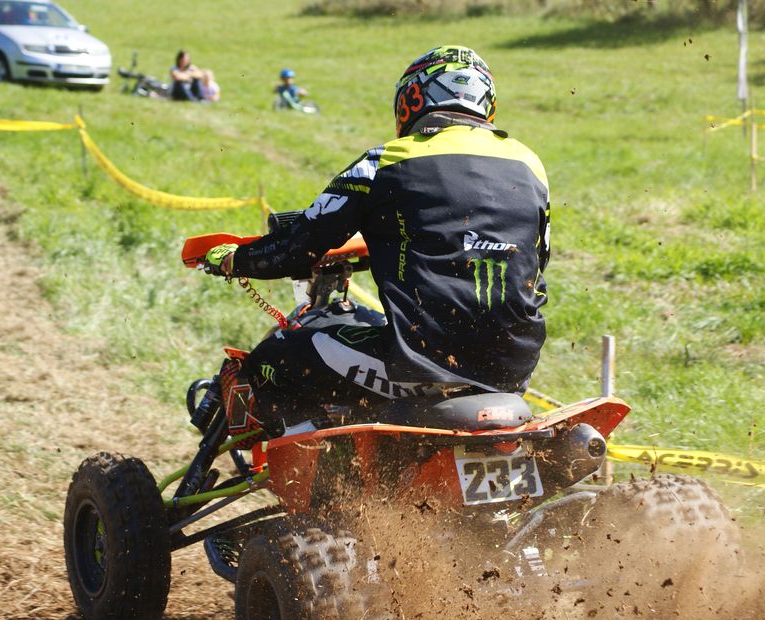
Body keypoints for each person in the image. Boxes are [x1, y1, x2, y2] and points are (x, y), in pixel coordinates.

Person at [201, 45, 550, 436]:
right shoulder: (529, 164)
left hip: (418, 362)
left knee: (274, 356)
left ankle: (319, 470)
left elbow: (294, 249)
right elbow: (534, 262)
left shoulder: (384, 162)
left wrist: (234, 259)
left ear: (413, 97)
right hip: (513, 369)